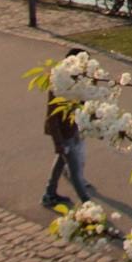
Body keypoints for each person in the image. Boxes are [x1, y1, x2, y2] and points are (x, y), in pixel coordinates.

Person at [42, 50, 95, 210]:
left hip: (72, 130)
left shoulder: (78, 81)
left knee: (61, 160)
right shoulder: (58, 85)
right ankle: (88, 206)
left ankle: (49, 194)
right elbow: (52, 117)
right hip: (63, 133)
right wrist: (58, 142)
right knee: (75, 170)